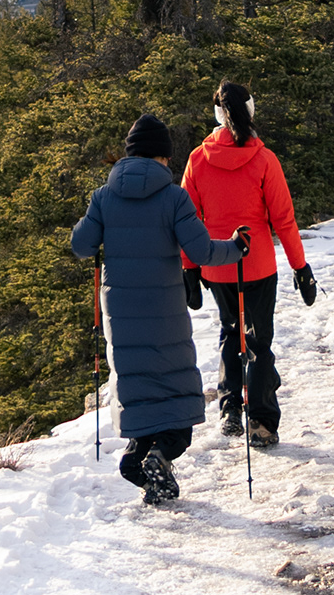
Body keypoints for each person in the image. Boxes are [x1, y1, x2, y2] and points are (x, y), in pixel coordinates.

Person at [70, 113, 249, 506]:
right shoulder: (173, 197)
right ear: (164, 158)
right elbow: (201, 252)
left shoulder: (103, 197)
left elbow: (81, 245)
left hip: (120, 312)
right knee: (174, 405)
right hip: (165, 311)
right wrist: (236, 246)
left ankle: (138, 459)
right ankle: (162, 453)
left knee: (138, 386)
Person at [182, 80, 317, 444]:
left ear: (216, 114)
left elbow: (187, 219)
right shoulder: (263, 159)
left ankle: (230, 408)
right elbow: (283, 220)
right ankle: (261, 422)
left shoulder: (197, 159)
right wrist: (301, 268)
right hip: (257, 265)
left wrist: (189, 269)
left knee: (230, 330)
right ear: (250, 111)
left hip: (215, 264)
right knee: (258, 341)